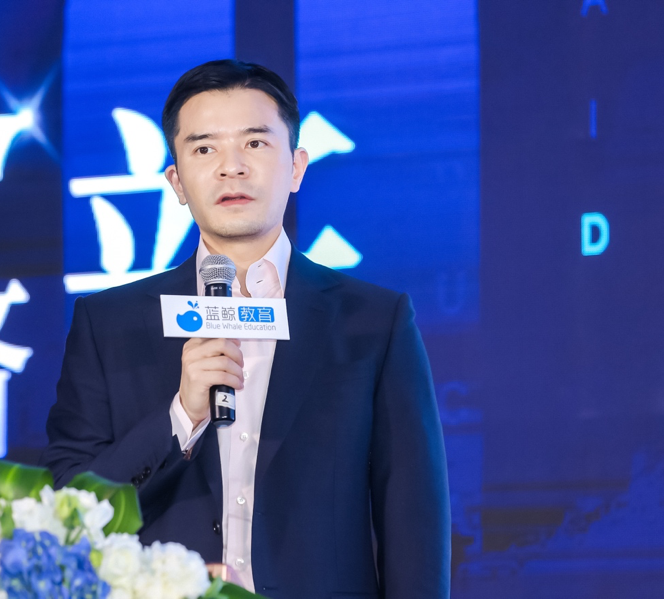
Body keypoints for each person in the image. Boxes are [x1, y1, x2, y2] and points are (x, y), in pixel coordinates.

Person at [40, 59, 450, 598]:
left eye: (254, 143)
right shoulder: (109, 323)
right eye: (204, 149)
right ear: (176, 181)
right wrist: (181, 416)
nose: (230, 167)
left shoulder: (373, 321)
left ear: (296, 167)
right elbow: (69, 508)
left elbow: (413, 517)